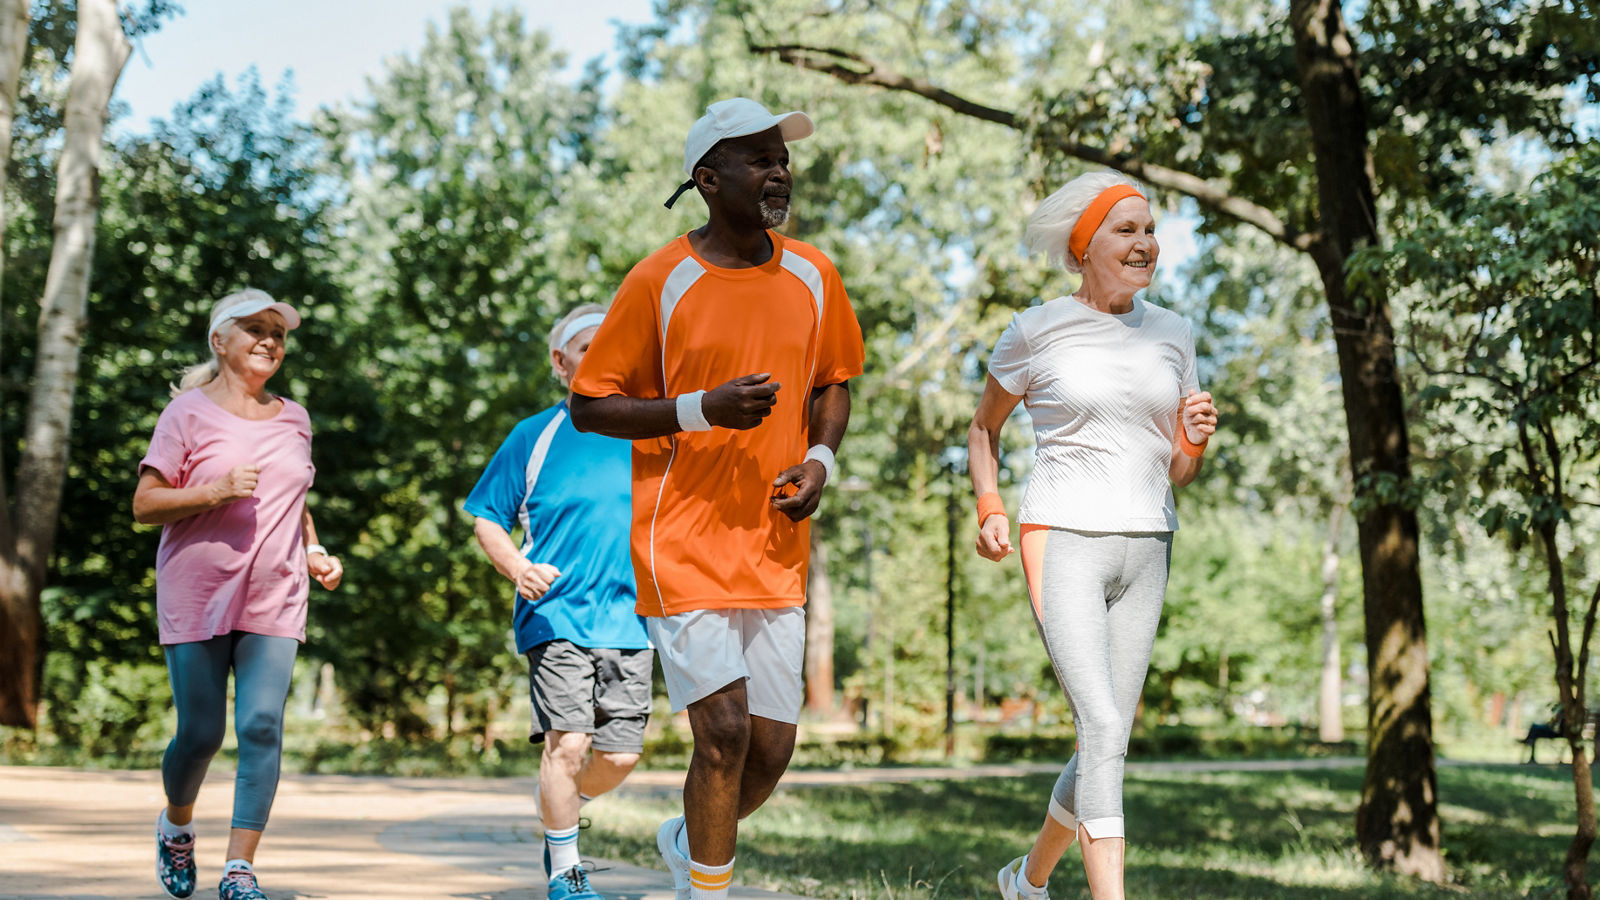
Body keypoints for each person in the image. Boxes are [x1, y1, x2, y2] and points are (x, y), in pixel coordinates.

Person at [567, 97, 865, 900]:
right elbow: (589, 405)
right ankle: (709, 891)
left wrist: (820, 460)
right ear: (708, 177)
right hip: (683, 540)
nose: (779, 172)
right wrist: (701, 407)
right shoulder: (659, 279)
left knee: (767, 752)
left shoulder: (813, 273)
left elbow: (834, 381)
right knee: (723, 733)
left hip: (774, 541)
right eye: (760, 158)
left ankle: (687, 839)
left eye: (783, 159)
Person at [966, 172, 1219, 900]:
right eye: (1126, 230)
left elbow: (1177, 470)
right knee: (1102, 722)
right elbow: (985, 428)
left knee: (1109, 737)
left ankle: (1028, 880)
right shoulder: (1035, 329)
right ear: (1083, 248)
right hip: (1062, 533)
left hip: (1148, 542)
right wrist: (989, 503)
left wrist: (1194, 441)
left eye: (1149, 230)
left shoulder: (1175, 332)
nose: (1145, 244)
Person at [133, 289, 343, 900]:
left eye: (278, 332)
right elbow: (145, 504)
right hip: (197, 588)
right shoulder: (186, 415)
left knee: (259, 726)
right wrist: (215, 490)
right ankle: (176, 826)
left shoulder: (295, 416)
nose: (270, 340)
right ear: (219, 340)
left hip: (276, 593)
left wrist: (314, 551)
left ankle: (239, 868)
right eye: (255, 328)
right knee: (200, 733)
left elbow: (294, 498)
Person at [462, 303, 651, 900]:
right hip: (557, 614)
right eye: (588, 347)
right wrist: (517, 566)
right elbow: (486, 518)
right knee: (567, 743)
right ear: (561, 362)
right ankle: (566, 870)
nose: (603, 358)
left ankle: (559, 811)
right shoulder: (534, 435)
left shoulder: (651, 434)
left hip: (633, 618)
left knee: (620, 756)